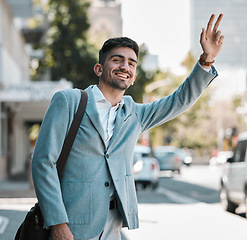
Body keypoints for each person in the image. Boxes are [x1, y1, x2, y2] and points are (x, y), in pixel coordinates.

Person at [31, 13, 224, 240]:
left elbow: (178, 101)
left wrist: (206, 61)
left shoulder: (136, 114)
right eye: (117, 60)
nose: (125, 66)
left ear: (133, 77)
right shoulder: (69, 101)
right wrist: (58, 222)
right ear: (99, 69)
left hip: (113, 228)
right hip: (71, 225)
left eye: (131, 63)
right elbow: (43, 162)